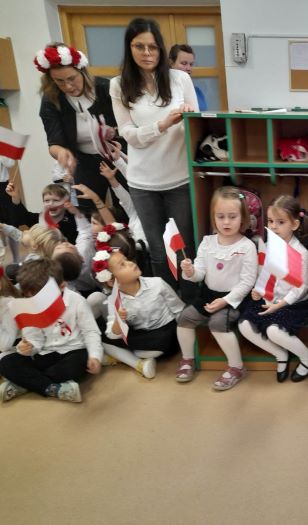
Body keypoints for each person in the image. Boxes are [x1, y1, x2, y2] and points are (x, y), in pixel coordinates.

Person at [110, 18, 199, 291]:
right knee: (159, 252)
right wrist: (162, 125)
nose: (147, 53)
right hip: (143, 183)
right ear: (129, 48)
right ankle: (168, 303)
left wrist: (187, 117)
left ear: (161, 49)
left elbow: (196, 126)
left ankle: (190, 303)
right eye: (139, 46)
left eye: (152, 47)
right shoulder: (118, 85)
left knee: (184, 249)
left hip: (179, 178)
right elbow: (127, 134)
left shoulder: (180, 79)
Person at [175, 187, 257, 390]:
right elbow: (199, 274)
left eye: (232, 216)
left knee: (218, 323)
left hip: (234, 299)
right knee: (184, 318)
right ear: (213, 217)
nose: (226, 222)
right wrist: (189, 271)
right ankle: (187, 359)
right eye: (220, 216)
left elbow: (247, 282)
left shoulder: (247, 246)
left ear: (243, 218)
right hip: (208, 295)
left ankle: (237, 367)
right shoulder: (207, 242)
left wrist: (226, 300)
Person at [36, 43, 126, 210]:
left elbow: (130, 124)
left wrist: (114, 131)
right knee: (87, 209)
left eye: (71, 78)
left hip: (119, 156)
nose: (68, 86)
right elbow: (54, 143)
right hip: (84, 162)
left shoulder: (105, 88)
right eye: (60, 81)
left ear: (82, 71)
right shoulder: (50, 100)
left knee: (128, 205)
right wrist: (61, 152)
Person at [0, 258, 102, 403]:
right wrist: (28, 348)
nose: (36, 301)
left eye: (41, 297)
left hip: (73, 350)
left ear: (61, 286)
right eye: (30, 297)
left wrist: (95, 356)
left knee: (76, 365)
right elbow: (35, 339)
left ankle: (29, 384)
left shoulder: (77, 301)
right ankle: (51, 387)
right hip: (45, 353)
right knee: (6, 363)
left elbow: (90, 332)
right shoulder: (30, 305)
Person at [238, 195, 308, 382]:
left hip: (294, 303)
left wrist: (279, 305)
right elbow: (264, 275)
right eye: (271, 221)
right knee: (244, 325)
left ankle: (307, 357)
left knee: (274, 330)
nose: (273, 227)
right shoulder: (268, 247)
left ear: (294, 224)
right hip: (271, 299)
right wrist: (259, 291)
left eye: (280, 222)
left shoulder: (300, 253)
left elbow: (301, 287)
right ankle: (280, 354)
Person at [94, 247, 184, 379]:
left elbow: (179, 309)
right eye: (122, 265)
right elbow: (113, 335)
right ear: (112, 281)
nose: (130, 263)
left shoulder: (157, 284)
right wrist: (119, 320)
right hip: (143, 335)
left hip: (165, 333)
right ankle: (138, 363)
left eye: (127, 260)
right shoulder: (115, 300)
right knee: (103, 339)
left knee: (160, 341)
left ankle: (123, 357)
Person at [169, 44, 207, 111]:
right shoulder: (164, 92)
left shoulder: (197, 92)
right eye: (184, 63)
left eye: (191, 64)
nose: (189, 68)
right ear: (171, 63)